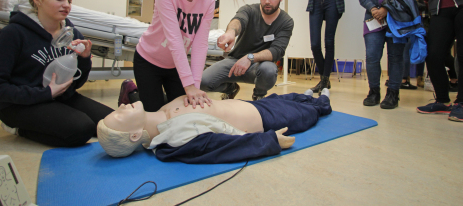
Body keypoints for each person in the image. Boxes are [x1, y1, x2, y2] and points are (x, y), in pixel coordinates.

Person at [0, 0, 113, 147]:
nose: (66, 5)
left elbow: (76, 84)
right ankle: (17, 128)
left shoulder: (73, 34)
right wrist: (45, 93)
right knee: (81, 129)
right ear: (37, 0)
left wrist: (84, 60)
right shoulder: (14, 33)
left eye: (69, 0)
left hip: (61, 98)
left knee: (113, 124)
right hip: (19, 104)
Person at [131, 0, 241, 112]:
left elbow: (200, 45)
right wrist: (188, 85)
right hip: (148, 60)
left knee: (183, 110)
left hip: (174, 65)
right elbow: (174, 39)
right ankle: (132, 94)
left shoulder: (208, 0)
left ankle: (146, 97)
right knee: (154, 113)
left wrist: (195, 86)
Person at [97, 91, 332, 163]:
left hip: (250, 104)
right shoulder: (176, 137)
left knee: (288, 96)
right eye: (118, 117)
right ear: (135, 135)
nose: (120, 108)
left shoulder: (162, 111)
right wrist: (271, 141)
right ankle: (320, 98)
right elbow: (223, 147)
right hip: (265, 119)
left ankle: (309, 94)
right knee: (314, 110)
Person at [200, 0, 294, 101]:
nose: (267, 1)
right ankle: (230, 89)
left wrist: (250, 58)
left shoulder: (286, 22)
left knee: (269, 70)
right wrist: (231, 33)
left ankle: (258, 95)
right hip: (235, 61)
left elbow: (277, 51)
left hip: (259, 66)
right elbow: (239, 20)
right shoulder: (249, 10)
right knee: (202, 82)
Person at [359, 0, 421, 109]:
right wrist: (374, 9)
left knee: (395, 57)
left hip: (397, 21)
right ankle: (374, 92)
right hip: (373, 20)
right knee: (371, 57)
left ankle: (393, 93)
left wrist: (387, 9)